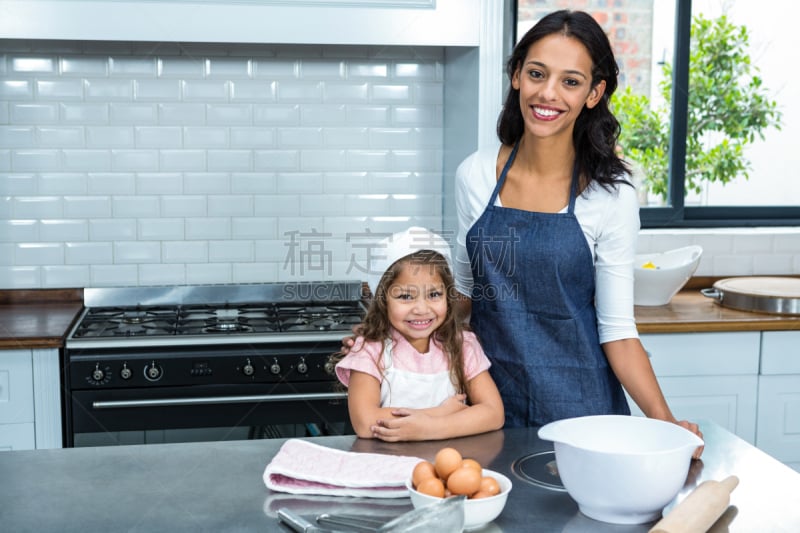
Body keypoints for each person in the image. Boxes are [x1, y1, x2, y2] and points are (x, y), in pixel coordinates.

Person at [453, 10, 703, 455]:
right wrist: (389, 334)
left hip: (585, 417)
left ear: (594, 92)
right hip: (488, 408)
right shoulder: (475, 175)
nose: (548, 93)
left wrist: (668, 429)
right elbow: (467, 294)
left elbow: (618, 332)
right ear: (516, 76)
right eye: (536, 73)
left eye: (570, 81)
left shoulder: (610, 195)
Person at [330, 226, 504, 442]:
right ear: (383, 302)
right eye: (405, 296)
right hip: (386, 465)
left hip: (446, 468)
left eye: (434, 294)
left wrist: (430, 428)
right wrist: (440, 413)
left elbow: (493, 413)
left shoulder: (462, 345)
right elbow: (366, 423)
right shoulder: (371, 350)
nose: (421, 308)